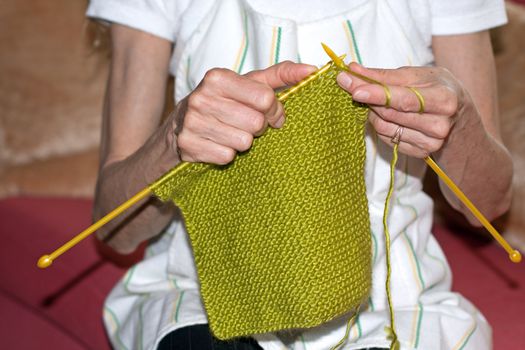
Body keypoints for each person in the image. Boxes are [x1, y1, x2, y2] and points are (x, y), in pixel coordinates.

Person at [86, 0, 513, 349]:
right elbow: (114, 227)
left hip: (394, 305)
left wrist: (459, 126)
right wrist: (173, 143)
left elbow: (487, 207)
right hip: (205, 295)